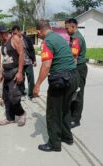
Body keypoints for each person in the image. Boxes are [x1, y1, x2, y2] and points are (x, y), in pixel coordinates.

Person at [33, 20, 80, 152]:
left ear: (39, 31)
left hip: (60, 81)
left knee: (53, 113)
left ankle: (54, 144)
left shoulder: (47, 41)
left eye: (38, 34)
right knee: (65, 109)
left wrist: (37, 85)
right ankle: (67, 137)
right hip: (73, 77)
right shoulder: (58, 38)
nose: (39, 36)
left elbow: (46, 65)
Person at [0, 24, 26, 126]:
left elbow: (22, 54)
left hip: (15, 72)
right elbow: (6, 59)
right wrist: (0, 72)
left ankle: (22, 114)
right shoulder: (3, 43)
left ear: (1, 33)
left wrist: (20, 72)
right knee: (6, 97)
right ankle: (10, 118)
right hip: (7, 73)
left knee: (14, 97)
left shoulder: (14, 38)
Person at [65, 18, 88, 128]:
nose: (66, 30)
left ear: (73, 26)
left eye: (67, 28)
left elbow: (74, 58)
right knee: (74, 92)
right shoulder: (74, 37)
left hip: (78, 68)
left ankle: (76, 119)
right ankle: (72, 114)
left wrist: (69, 71)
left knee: (78, 94)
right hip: (78, 68)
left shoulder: (76, 38)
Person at [11, 25, 36, 101]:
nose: (14, 35)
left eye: (15, 33)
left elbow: (31, 49)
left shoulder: (26, 39)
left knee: (31, 78)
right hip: (19, 63)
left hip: (28, 62)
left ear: (19, 31)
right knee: (20, 79)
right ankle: (22, 93)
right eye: (13, 33)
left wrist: (34, 60)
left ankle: (31, 95)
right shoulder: (12, 40)